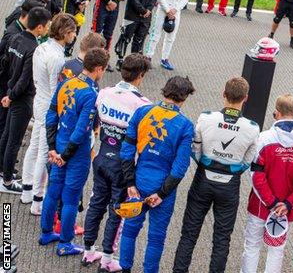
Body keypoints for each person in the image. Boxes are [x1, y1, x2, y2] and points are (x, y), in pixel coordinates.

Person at [173, 77, 260, 273]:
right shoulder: (253, 128)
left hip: (203, 179)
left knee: (188, 234)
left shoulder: (206, 118)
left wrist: (208, 164)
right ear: (245, 98)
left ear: (223, 94)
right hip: (229, 185)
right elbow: (248, 160)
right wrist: (231, 169)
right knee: (222, 238)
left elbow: (195, 150)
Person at [82, 54, 151, 272]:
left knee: (96, 204)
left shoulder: (104, 92)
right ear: (140, 76)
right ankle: (107, 260)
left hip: (101, 157)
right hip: (123, 165)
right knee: (117, 211)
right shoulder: (143, 105)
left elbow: (96, 120)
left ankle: (88, 251)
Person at [118, 76, 195, 273]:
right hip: (163, 189)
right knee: (156, 237)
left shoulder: (142, 112)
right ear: (184, 98)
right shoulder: (185, 126)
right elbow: (180, 167)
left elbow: (126, 150)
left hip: (138, 181)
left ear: (165, 91)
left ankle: (124, 268)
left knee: (130, 229)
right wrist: (161, 194)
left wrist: (130, 183)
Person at [38, 48, 109, 255]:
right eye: (103, 70)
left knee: (53, 191)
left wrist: (53, 148)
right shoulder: (91, 94)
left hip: (58, 146)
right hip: (75, 154)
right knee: (70, 198)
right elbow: (81, 131)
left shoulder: (65, 83)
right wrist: (65, 155)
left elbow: (51, 115)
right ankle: (65, 243)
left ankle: (46, 232)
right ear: (98, 69)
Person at [240, 94, 293, 273]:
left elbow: (255, 175)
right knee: (277, 250)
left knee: (252, 246)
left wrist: (271, 202)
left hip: (260, 204)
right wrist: (288, 203)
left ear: (277, 113)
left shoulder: (264, 138)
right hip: (286, 208)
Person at [18, 14, 77, 212]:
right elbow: (56, 90)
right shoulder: (57, 57)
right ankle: (37, 200)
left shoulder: (41, 47)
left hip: (38, 100)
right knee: (43, 151)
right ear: (65, 33)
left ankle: (27, 191)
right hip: (47, 105)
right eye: (73, 32)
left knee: (34, 146)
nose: (74, 35)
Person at [0, 7, 51, 194]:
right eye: (47, 27)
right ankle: (7, 181)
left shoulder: (15, 38)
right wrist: (12, 95)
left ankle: (3, 172)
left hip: (10, 91)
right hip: (21, 99)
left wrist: (8, 93)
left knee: (6, 135)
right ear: (39, 27)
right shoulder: (34, 49)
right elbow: (25, 78)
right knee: (14, 140)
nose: (47, 30)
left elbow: (6, 65)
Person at [144, 0, 189, 71]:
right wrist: (167, 9)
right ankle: (148, 57)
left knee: (171, 37)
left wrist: (176, 9)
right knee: (155, 35)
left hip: (176, 12)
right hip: (163, 10)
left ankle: (165, 59)